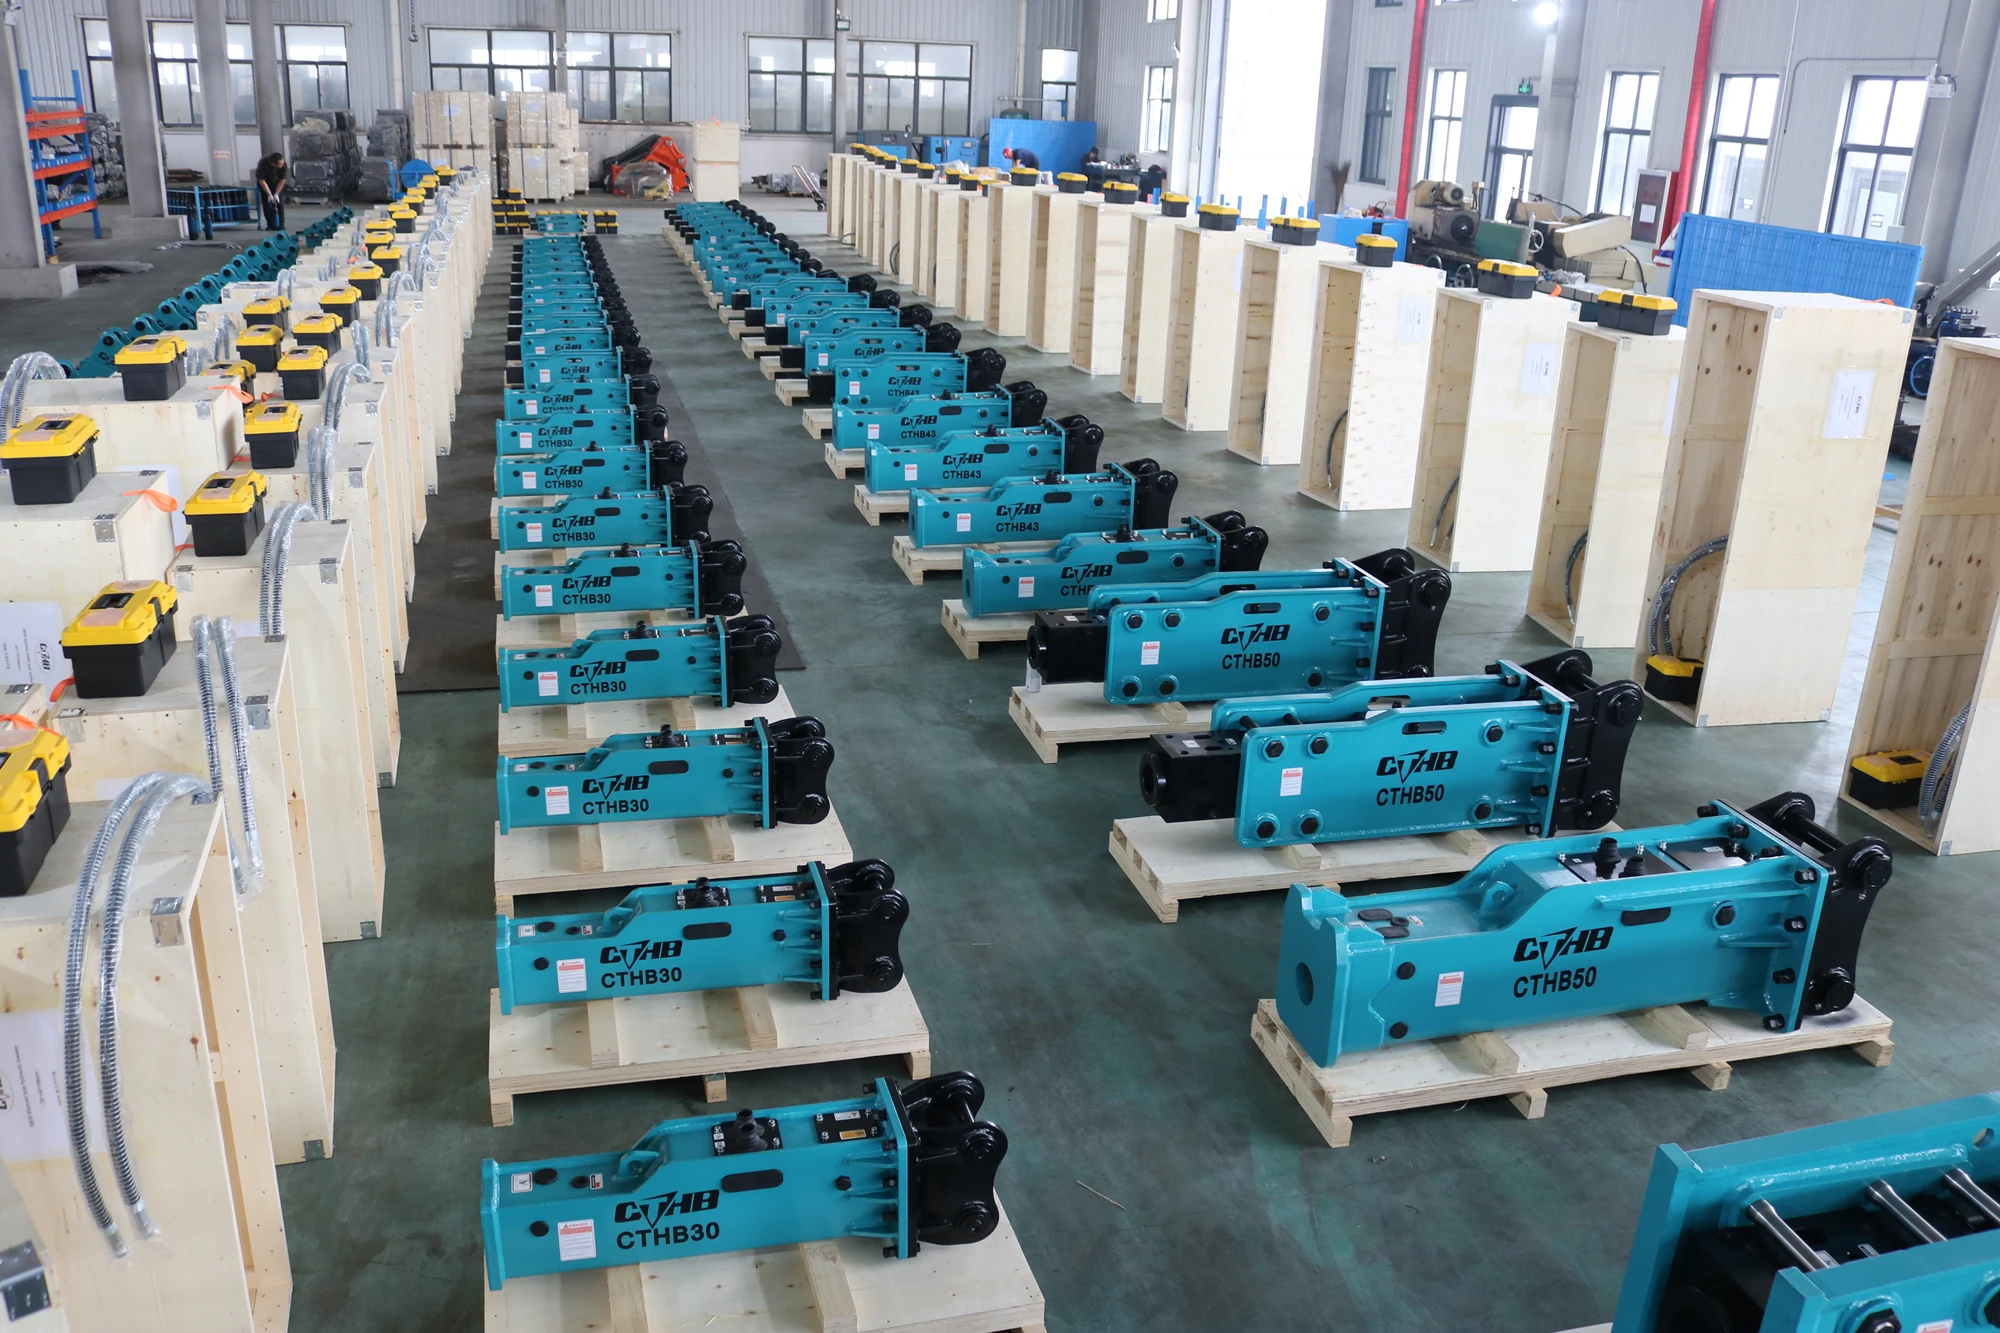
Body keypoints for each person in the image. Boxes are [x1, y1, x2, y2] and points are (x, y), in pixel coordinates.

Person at [255, 152, 288, 231]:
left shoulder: (283, 164)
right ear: (273, 164)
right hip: (265, 182)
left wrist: (276, 194)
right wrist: (269, 194)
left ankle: (281, 224)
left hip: (277, 183)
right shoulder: (262, 164)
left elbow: (282, 181)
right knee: (267, 202)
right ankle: (270, 224)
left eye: (282, 163)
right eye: (280, 164)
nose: (282, 165)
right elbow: (262, 181)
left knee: (279, 203)